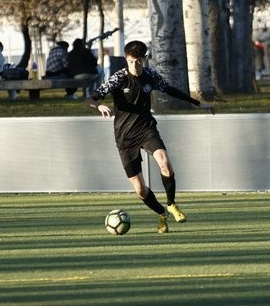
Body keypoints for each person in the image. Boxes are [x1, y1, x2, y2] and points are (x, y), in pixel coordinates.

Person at [87, 40, 214, 233]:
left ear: (144, 59)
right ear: (126, 59)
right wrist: (99, 105)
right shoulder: (118, 78)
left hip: (146, 129)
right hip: (124, 136)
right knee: (140, 189)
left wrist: (198, 104)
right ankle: (162, 213)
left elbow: (171, 90)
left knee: (165, 163)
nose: (135, 66)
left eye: (138, 61)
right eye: (131, 62)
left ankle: (171, 204)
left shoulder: (150, 76)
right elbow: (91, 98)